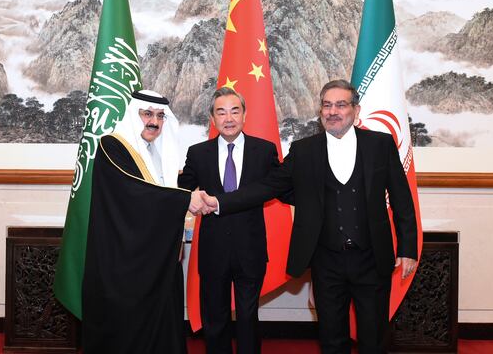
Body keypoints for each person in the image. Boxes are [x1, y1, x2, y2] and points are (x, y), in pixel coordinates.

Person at [200, 80, 418, 354]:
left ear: (356, 110)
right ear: (320, 111)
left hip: (373, 259)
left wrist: (408, 247)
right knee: (331, 339)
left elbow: (401, 198)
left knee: (374, 340)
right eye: (326, 105)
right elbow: (268, 186)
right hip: (326, 262)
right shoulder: (304, 150)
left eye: (341, 104)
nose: (333, 111)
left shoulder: (380, 144)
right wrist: (220, 201)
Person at [81, 90, 202, 354]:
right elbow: (133, 192)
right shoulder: (111, 146)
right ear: (134, 115)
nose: (154, 122)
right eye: (147, 114)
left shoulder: (161, 154)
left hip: (159, 257)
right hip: (123, 262)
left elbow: (159, 198)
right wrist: (185, 200)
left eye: (160, 116)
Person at [179, 87, 281, 354]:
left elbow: (279, 187)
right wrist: (190, 197)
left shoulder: (265, 150)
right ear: (212, 119)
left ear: (245, 115)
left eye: (235, 111)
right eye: (221, 112)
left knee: (248, 319)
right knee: (215, 320)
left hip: (251, 250)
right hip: (213, 251)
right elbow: (182, 192)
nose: (229, 118)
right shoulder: (197, 153)